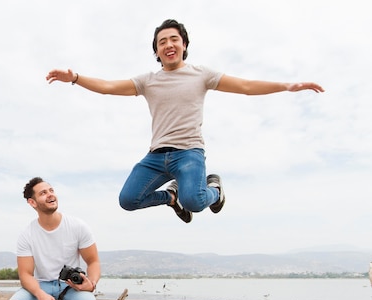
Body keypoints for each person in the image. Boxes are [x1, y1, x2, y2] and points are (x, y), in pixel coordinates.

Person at [46, 18, 324, 224]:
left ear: (184, 45)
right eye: (161, 42)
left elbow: (247, 86)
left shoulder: (201, 75)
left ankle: (214, 189)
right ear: (156, 51)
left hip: (189, 154)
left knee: (196, 201)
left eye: (173, 39)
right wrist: (76, 79)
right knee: (128, 200)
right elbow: (108, 86)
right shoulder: (148, 81)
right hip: (156, 156)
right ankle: (170, 197)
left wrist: (288, 86)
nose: (168, 44)